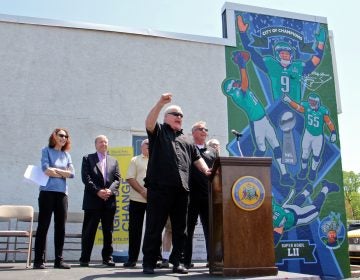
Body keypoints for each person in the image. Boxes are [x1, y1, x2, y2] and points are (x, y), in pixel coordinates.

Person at [141, 93, 211, 275]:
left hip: (182, 191)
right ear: (166, 117)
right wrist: (160, 103)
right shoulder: (158, 132)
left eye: (181, 115)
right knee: (154, 227)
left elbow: (197, 159)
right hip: (159, 189)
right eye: (175, 114)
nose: (179, 117)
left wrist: (207, 171)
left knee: (181, 230)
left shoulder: (187, 139)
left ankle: (177, 262)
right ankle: (148, 262)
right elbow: (149, 122)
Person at [33, 128, 75, 269]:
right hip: (47, 193)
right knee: (43, 226)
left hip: (62, 194)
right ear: (54, 136)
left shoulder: (66, 155)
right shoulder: (46, 150)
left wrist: (56, 171)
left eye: (66, 136)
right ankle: (38, 261)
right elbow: (46, 170)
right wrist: (63, 173)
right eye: (61, 135)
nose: (64, 138)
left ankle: (59, 261)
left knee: (60, 227)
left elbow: (72, 174)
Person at [79, 135, 120, 267]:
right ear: (95, 144)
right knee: (89, 231)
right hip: (93, 201)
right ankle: (85, 258)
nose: (104, 144)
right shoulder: (88, 158)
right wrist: (98, 191)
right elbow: (86, 178)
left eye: (106, 142)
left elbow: (118, 179)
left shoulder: (114, 161)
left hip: (109, 202)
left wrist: (110, 190)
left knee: (108, 232)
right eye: (101, 142)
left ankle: (107, 258)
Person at [183, 121, 217, 269]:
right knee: (187, 229)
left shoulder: (213, 152)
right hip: (190, 196)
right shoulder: (187, 149)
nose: (204, 131)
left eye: (206, 129)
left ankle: (212, 260)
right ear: (193, 132)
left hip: (207, 196)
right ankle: (186, 261)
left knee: (209, 229)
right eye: (201, 129)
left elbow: (217, 173)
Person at [282, 92, 337, 181]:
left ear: (318, 103)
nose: (311, 103)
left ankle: (313, 171)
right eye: (310, 101)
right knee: (305, 154)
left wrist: (333, 132)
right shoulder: (307, 107)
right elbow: (299, 108)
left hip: (318, 136)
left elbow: (328, 122)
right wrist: (290, 101)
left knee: (316, 156)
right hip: (308, 134)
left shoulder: (323, 111)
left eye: (313, 102)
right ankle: (303, 170)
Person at [123, 139, 149, 268]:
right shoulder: (135, 160)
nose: (150, 147)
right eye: (147, 145)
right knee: (135, 230)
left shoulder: (158, 159)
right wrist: (143, 191)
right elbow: (130, 178)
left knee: (153, 230)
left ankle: (153, 258)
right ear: (142, 147)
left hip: (154, 201)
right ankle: (132, 259)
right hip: (136, 200)